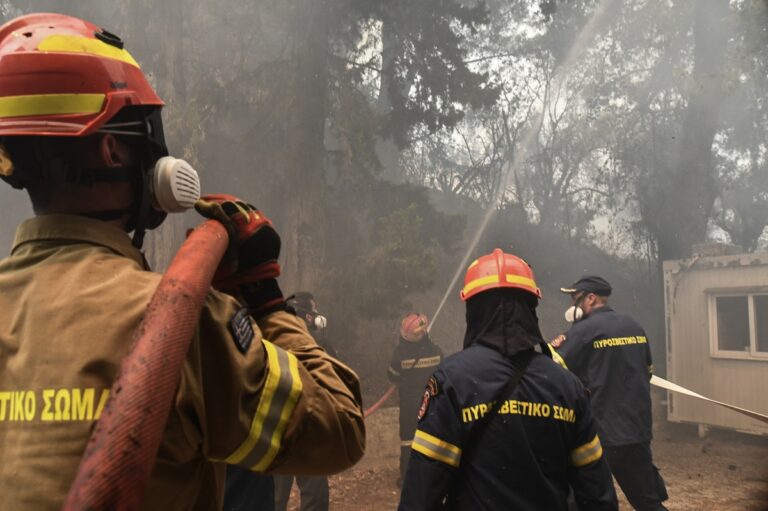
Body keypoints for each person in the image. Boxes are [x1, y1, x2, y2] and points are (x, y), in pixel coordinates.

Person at [0, 13, 364, 510]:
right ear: (112, 150)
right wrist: (264, 297)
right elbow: (340, 428)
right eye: (144, 135)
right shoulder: (179, 322)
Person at [398, 249, 617, 511]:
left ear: (473, 309)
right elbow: (597, 493)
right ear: (531, 307)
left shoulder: (452, 381)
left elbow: (422, 492)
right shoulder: (567, 385)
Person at [553, 275, 668, 511]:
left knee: (584, 501)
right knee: (648, 503)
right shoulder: (634, 326)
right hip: (637, 431)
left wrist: (554, 347)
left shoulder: (583, 331)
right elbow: (646, 372)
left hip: (600, 436)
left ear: (591, 298)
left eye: (575, 298)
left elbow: (553, 374)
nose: (573, 305)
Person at [272, 292, 333, 511]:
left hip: (276, 427)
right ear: (308, 317)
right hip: (308, 427)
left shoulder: (270, 339)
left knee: (275, 495)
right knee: (314, 491)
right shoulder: (317, 345)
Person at [387, 312, 443, 487]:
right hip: (432, 402)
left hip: (409, 404)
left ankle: (406, 478)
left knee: (408, 440)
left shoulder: (400, 353)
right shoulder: (436, 350)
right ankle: (434, 475)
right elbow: (443, 372)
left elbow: (392, 375)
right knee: (433, 438)